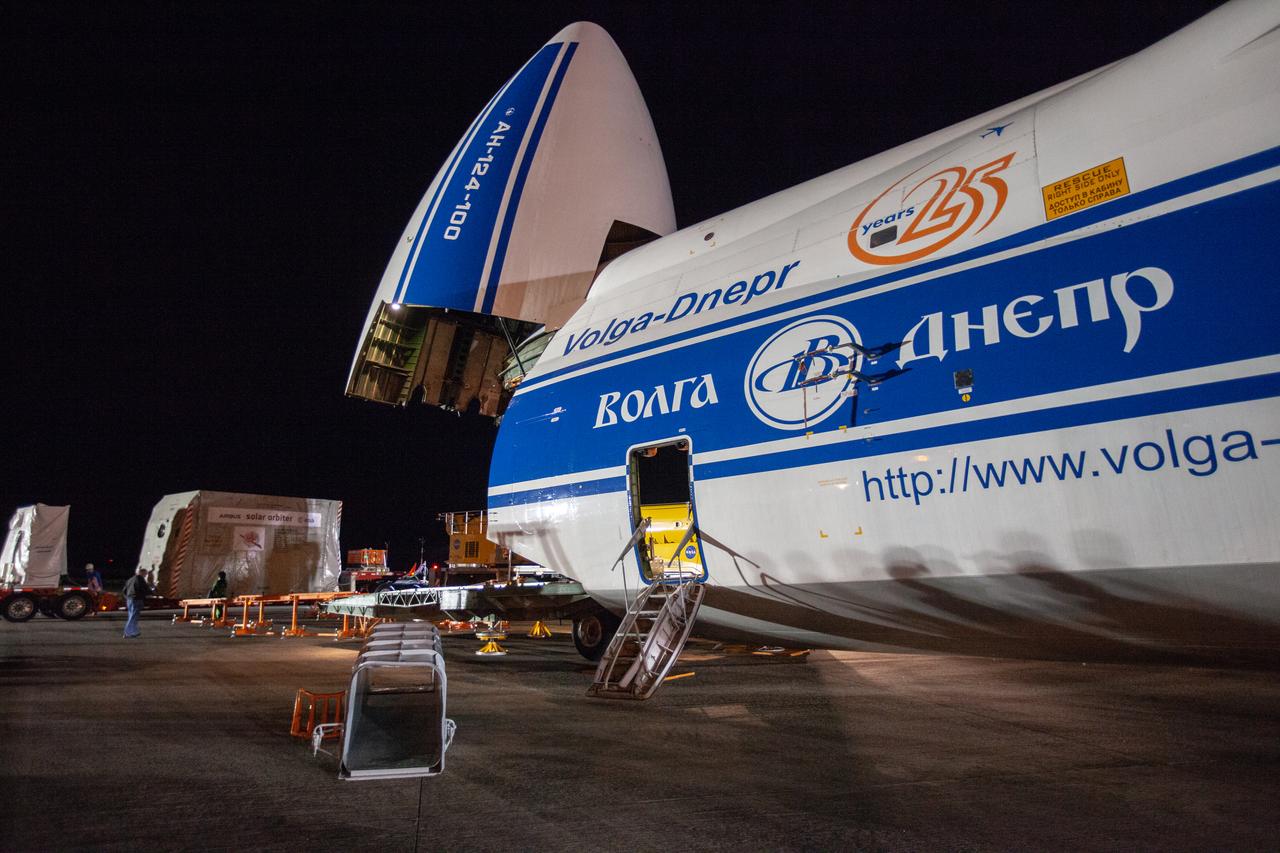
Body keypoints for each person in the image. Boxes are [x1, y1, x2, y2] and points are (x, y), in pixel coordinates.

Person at [121, 567, 152, 638]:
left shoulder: (130, 579)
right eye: (145, 574)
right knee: (133, 617)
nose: (146, 575)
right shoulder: (140, 579)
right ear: (142, 573)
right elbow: (144, 589)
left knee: (131, 616)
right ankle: (127, 632)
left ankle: (133, 632)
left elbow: (124, 590)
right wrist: (151, 592)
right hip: (136, 600)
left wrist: (127, 597)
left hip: (129, 600)